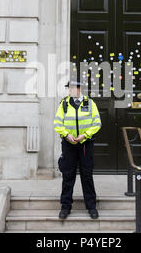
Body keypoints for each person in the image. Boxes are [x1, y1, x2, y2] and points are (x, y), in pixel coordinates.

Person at [53, 79, 102, 220]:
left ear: (79, 89)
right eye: (69, 88)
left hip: (85, 144)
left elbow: (97, 123)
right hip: (69, 144)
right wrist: (66, 135)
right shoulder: (64, 104)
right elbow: (57, 123)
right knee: (68, 176)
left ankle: (91, 207)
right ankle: (65, 207)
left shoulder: (90, 103)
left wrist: (85, 135)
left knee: (87, 175)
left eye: (73, 88)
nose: (70, 90)